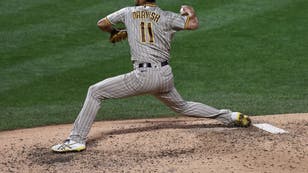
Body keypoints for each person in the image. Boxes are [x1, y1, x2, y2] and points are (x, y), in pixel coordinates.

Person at [51, 0, 251, 153]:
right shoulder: (166, 16)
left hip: (143, 76)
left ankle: (76, 139)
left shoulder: (128, 12)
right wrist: (190, 12)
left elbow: (101, 23)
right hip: (165, 76)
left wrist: (116, 31)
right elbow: (192, 25)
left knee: (95, 92)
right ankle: (229, 116)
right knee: (182, 106)